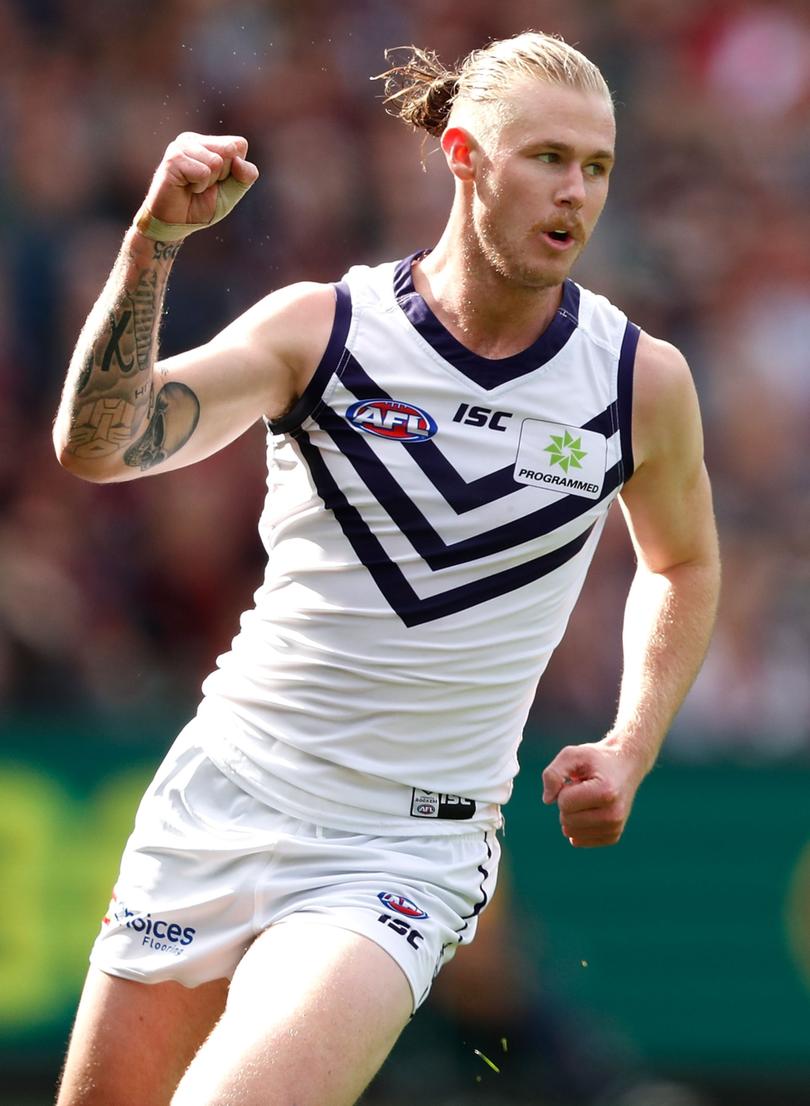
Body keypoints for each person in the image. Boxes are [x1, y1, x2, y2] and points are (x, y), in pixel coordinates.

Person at [52, 31, 720, 1106]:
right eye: (546, 156)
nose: (577, 192)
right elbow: (95, 448)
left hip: (402, 851)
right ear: (463, 154)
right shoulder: (322, 330)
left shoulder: (639, 380)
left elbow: (682, 562)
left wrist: (632, 745)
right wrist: (153, 244)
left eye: (597, 166)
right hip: (222, 794)